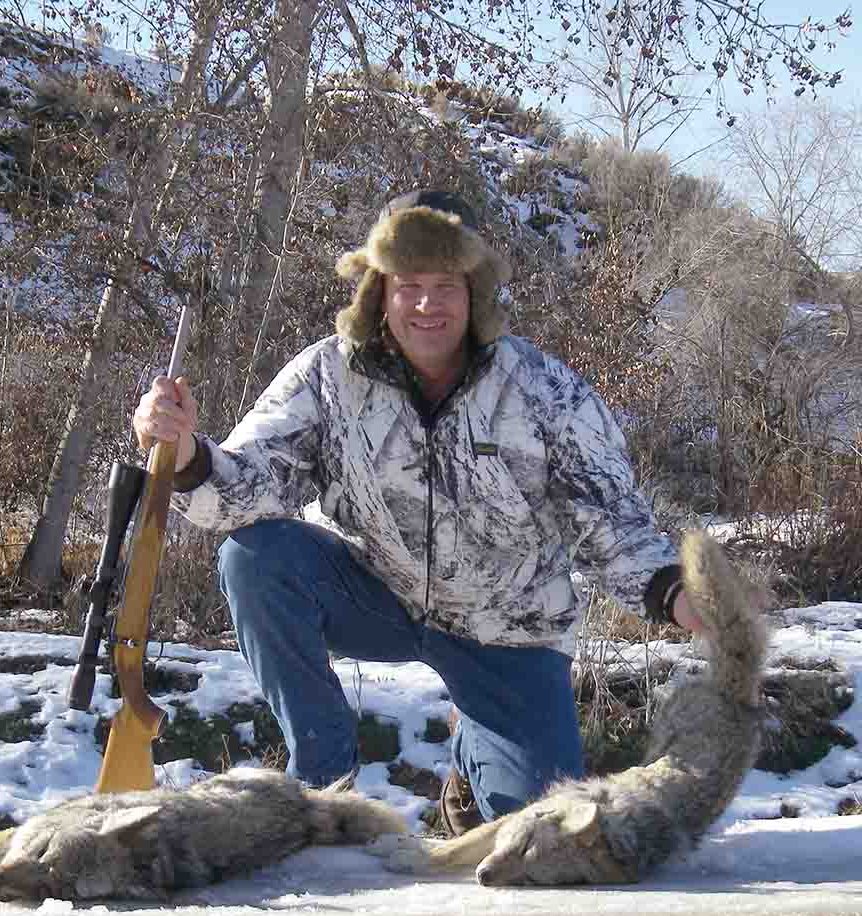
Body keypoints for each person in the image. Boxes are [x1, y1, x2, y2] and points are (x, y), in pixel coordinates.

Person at [132, 188, 703, 836]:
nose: (427, 304)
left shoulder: (547, 391)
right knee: (255, 557)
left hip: (507, 634)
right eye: (408, 284)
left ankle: (474, 753)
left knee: (542, 836)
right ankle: (323, 779)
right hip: (379, 596)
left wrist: (679, 594)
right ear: (379, 290)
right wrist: (182, 453)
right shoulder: (327, 376)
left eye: (446, 285)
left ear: (477, 293)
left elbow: (613, 527)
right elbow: (247, 487)